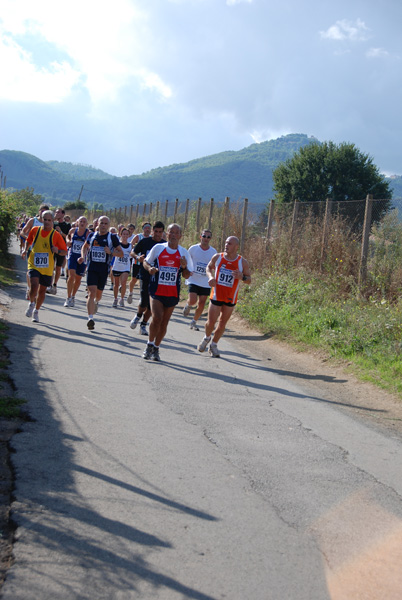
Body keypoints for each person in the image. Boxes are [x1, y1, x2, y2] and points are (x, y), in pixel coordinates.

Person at [142, 223, 193, 361]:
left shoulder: (184, 253)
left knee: (164, 323)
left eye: (177, 233)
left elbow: (187, 275)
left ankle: (156, 348)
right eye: (171, 232)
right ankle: (149, 344)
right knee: (157, 317)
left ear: (180, 236)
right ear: (167, 234)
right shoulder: (158, 248)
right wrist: (150, 269)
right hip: (156, 290)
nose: (174, 235)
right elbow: (146, 262)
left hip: (172, 293)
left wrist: (183, 267)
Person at [198, 236, 251, 358]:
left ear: (236, 247)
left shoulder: (242, 262)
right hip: (216, 294)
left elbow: (249, 280)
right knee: (211, 322)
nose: (226, 245)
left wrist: (241, 277)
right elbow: (208, 267)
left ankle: (214, 345)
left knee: (222, 324)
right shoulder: (218, 257)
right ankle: (206, 338)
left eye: (230, 244)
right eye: (226, 242)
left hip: (230, 297)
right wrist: (210, 277)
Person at [78, 216, 123, 330]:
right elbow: (85, 246)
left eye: (105, 223)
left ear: (108, 225)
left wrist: (111, 252)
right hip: (92, 268)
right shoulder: (92, 235)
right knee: (91, 292)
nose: (103, 225)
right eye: (101, 223)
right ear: (98, 224)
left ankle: (96, 303)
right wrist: (82, 257)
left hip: (103, 270)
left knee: (98, 295)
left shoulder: (112, 237)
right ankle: (90, 318)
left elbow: (121, 253)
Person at [21, 210, 67, 323]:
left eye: (49, 220)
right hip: (34, 263)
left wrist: (57, 250)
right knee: (34, 284)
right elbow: (28, 241)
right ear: (41, 219)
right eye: (44, 220)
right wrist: (24, 250)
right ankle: (32, 303)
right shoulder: (35, 230)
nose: (46, 222)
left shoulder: (56, 235)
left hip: (47, 267)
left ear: (53, 221)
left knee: (42, 291)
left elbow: (64, 251)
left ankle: (36, 311)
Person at [129, 221, 165, 335]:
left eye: (160, 232)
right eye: (156, 231)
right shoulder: (145, 242)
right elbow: (132, 252)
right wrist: (137, 257)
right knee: (144, 301)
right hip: (145, 274)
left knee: (152, 305)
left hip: (159, 278)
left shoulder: (165, 245)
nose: (158, 234)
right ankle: (138, 315)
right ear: (152, 231)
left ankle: (143, 324)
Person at [182, 229, 217, 331]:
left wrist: (213, 275)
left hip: (205, 281)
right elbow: (187, 260)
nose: (206, 239)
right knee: (193, 300)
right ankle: (188, 305)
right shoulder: (193, 248)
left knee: (202, 303)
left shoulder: (213, 252)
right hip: (194, 279)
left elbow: (214, 265)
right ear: (200, 237)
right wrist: (188, 270)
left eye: (208, 237)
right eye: (204, 236)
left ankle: (194, 321)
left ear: (210, 239)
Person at [21, 204, 50, 300]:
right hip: (32, 249)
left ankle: (35, 291)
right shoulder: (33, 221)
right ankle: (29, 289)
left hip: (44, 252)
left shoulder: (49, 223)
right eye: (41, 211)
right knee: (30, 271)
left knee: (40, 274)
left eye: (45, 211)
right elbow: (23, 232)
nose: (43, 213)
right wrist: (29, 239)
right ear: (39, 211)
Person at [64, 216, 91, 307]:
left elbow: (89, 244)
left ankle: (73, 296)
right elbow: (67, 237)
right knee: (71, 276)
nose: (82, 223)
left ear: (87, 224)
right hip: (72, 255)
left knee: (78, 279)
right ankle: (68, 298)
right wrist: (68, 241)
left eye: (84, 222)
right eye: (81, 221)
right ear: (77, 222)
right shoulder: (72, 231)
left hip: (82, 257)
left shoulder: (88, 233)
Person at [47, 207, 71, 294]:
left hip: (61, 249)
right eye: (56, 212)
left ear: (63, 214)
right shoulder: (53, 223)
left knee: (58, 268)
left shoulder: (67, 225)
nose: (56, 214)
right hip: (52, 248)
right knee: (51, 266)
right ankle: (49, 284)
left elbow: (68, 237)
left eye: (58, 212)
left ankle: (55, 284)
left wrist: (60, 232)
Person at [127, 222, 152, 304]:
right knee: (134, 279)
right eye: (146, 228)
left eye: (149, 228)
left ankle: (142, 297)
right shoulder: (138, 236)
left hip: (147, 264)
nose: (147, 229)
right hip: (137, 262)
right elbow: (131, 245)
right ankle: (130, 293)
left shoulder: (152, 238)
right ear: (143, 229)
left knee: (144, 280)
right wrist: (135, 248)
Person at [112, 227, 132, 307]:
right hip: (117, 266)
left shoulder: (130, 246)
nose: (125, 236)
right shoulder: (117, 245)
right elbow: (113, 253)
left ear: (129, 236)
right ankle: (115, 299)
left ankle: (122, 299)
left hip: (125, 267)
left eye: (127, 234)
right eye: (124, 234)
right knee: (116, 284)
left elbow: (131, 256)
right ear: (121, 234)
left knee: (123, 283)